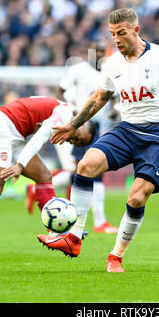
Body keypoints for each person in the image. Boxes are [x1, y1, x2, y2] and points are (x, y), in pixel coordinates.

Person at [37, 7, 159, 272]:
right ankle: (74, 237)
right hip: (127, 131)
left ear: (136, 30)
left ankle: (115, 256)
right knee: (86, 165)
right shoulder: (112, 63)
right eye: (112, 34)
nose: (116, 39)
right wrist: (73, 126)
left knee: (137, 197)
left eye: (121, 33)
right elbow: (98, 99)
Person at [27, 42, 119, 234]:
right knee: (93, 170)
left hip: (98, 128)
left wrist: (113, 111)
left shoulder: (108, 72)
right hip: (80, 126)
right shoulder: (78, 69)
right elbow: (60, 90)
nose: (100, 54)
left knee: (83, 171)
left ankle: (38, 188)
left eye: (103, 52)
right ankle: (100, 222)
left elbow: (112, 98)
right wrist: (71, 110)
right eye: (97, 51)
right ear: (90, 53)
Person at [0, 96, 96, 213]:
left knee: (44, 176)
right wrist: (19, 165)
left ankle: (56, 234)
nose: (72, 141)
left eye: (77, 143)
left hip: (11, 133)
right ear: (82, 122)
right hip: (1, 131)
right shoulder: (64, 114)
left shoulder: (66, 112)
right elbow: (39, 138)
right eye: (78, 137)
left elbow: (17, 114)